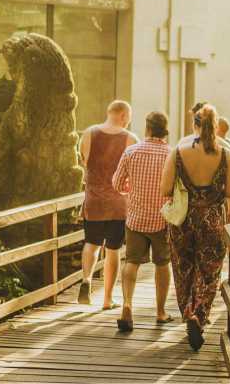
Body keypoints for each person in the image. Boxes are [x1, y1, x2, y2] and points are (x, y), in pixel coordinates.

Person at [160, 104, 230, 351]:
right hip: (212, 221)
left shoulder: (179, 151)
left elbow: (165, 189)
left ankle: (188, 312)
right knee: (209, 272)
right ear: (215, 126)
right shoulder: (225, 154)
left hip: (183, 221)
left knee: (184, 269)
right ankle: (199, 315)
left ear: (194, 124)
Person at [112, 111, 173, 331]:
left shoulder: (132, 151)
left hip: (136, 218)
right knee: (162, 263)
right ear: (165, 130)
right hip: (162, 219)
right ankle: (160, 312)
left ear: (147, 128)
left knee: (131, 262)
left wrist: (131, 189)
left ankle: (127, 305)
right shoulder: (171, 154)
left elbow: (117, 184)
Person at [78, 100, 138, 309]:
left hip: (93, 201)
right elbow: (133, 172)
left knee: (91, 243)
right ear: (123, 115)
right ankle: (107, 299)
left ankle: (86, 280)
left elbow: (85, 162)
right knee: (113, 250)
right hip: (118, 204)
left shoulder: (89, 133)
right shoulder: (130, 139)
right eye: (128, 117)